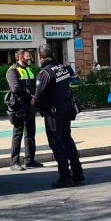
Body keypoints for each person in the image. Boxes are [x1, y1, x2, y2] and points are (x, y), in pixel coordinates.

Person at [33, 44, 85, 188]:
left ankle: (65, 177)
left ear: (40, 56)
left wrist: (34, 105)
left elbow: (37, 97)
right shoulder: (62, 67)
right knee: (67, 140)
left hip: (54, 112)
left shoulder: (45, 73)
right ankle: (78, 173)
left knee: (57, 143)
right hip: (67, 108)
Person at [5, 50, 43, 171]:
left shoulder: (28, 69)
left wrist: (35, 97)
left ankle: (30, 160)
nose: (29, 58)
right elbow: (15, 88)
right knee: (18, 133)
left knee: (31, 133)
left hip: (30, 106)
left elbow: (34, 86)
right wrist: (30, 97)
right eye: (27, 56)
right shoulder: (12, 70)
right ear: (21, 57)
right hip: (19, 106)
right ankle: (14, 162)